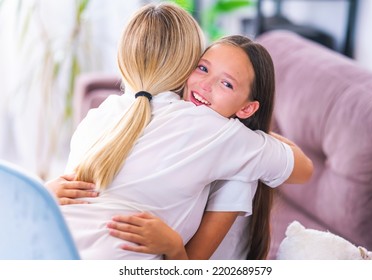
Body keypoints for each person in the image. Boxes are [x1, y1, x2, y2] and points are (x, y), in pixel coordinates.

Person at [52, 2, 313, 260]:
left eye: (226, 83)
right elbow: (303, 169)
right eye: (202, 68)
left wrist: (46, 195)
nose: (205, 85)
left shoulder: (102, 112)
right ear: (186, 66)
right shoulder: (221, 134)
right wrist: (174, 247)